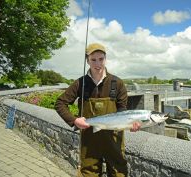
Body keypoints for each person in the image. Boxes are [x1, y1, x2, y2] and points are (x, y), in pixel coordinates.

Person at [55, 43, 141, 177]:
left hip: (114, 139)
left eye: (101, 59)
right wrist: (74, 120)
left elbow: (122, 111)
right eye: (93, 60)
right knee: (88, 174)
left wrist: (131, 124)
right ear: (87, 60)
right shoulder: (80, 83)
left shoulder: (117, 83)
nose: (97, 64)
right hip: (89, 140)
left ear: (105, 59)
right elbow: (60, 103)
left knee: (119, 173)